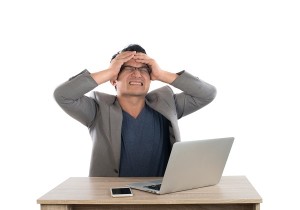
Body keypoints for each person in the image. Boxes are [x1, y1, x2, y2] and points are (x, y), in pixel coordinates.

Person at [54, 44, 217, 177]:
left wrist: (161, 74)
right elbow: (63, 95)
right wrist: (110, 71)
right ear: (113, 80)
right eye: (128, 69)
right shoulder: (97, 109)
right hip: (111, 200)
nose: (137, 74)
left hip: (160, 199)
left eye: (144, 69)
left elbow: (207, 94)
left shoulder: (167, 104)